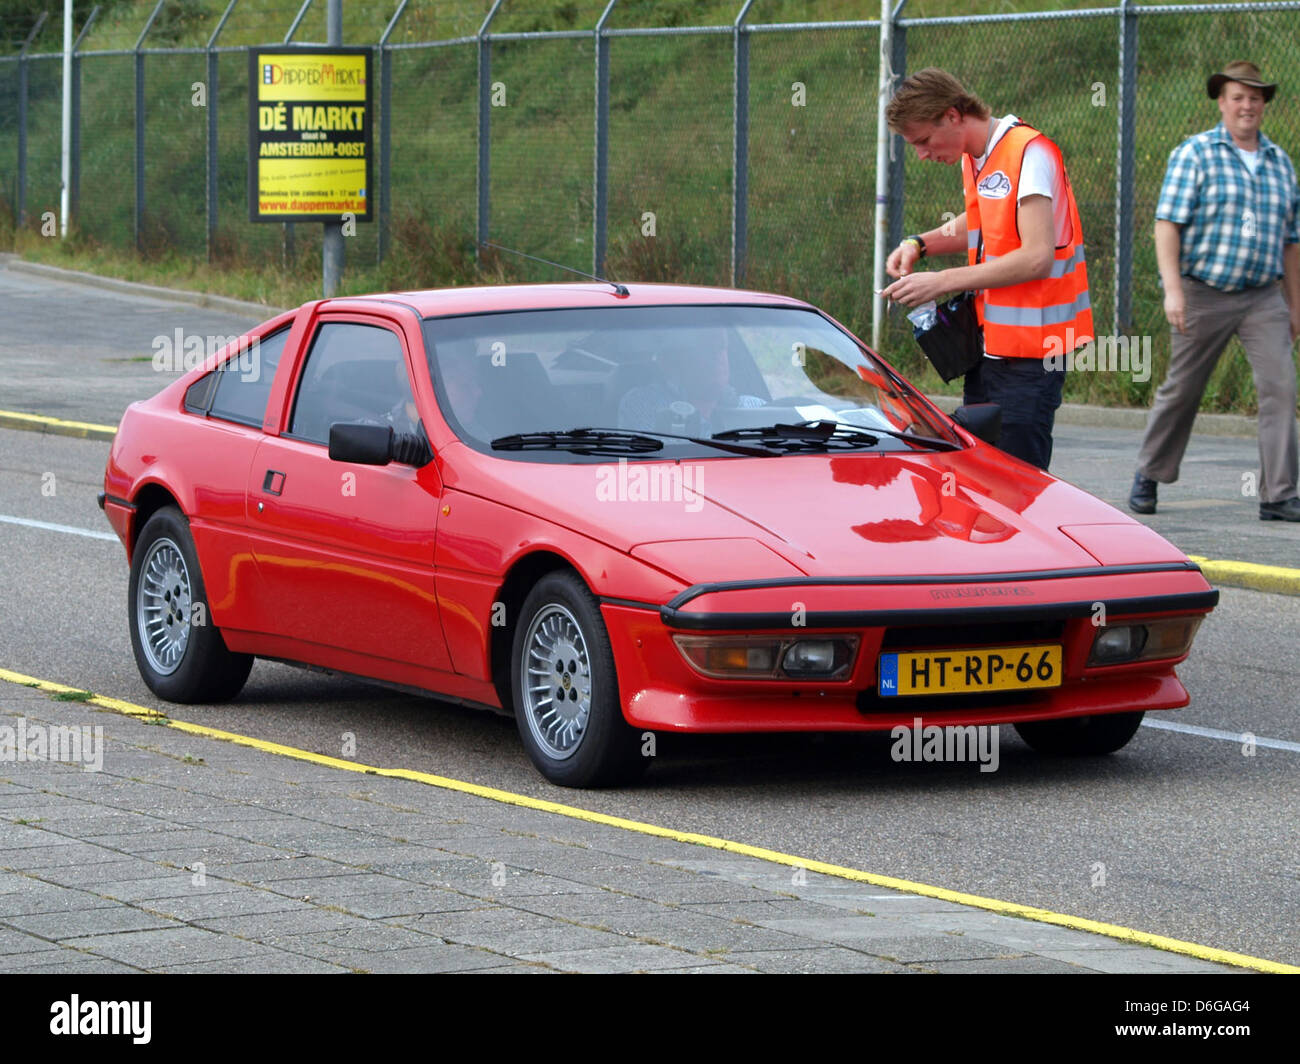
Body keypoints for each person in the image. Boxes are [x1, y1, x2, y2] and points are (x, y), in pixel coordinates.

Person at [882, 68, 1093, 471]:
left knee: (1017, 486)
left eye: (924, 140)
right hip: (990, 352)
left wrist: (941, 281)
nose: (923, 154)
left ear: (953, 115)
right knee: (982, 480)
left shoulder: (1029, 151)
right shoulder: (978, 157)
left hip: (1032, 357)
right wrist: (919, 244)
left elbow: (1036, 256)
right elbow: (982, 222)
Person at [1129, 61, 1300, 521]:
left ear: (1264, 105)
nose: (1247, 106)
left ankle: (1278, 494)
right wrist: (1173, 290)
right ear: (1222, 103)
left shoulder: (1280, 163)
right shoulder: (1196, 153)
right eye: (1238, 97)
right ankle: (1149, 473)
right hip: (1202, 290)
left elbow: (1291, 243)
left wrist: (1295, 306)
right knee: (1183, 388)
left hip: (1264, 297)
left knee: (1281, 386)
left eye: (1255, 98)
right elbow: (1168, 224)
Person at [618, 329, 764, 435]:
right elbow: (653, 463)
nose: (717, 356)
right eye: (705, 348)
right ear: (673, 361)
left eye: (721, 347)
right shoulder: (645, 404)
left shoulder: (756, 408)